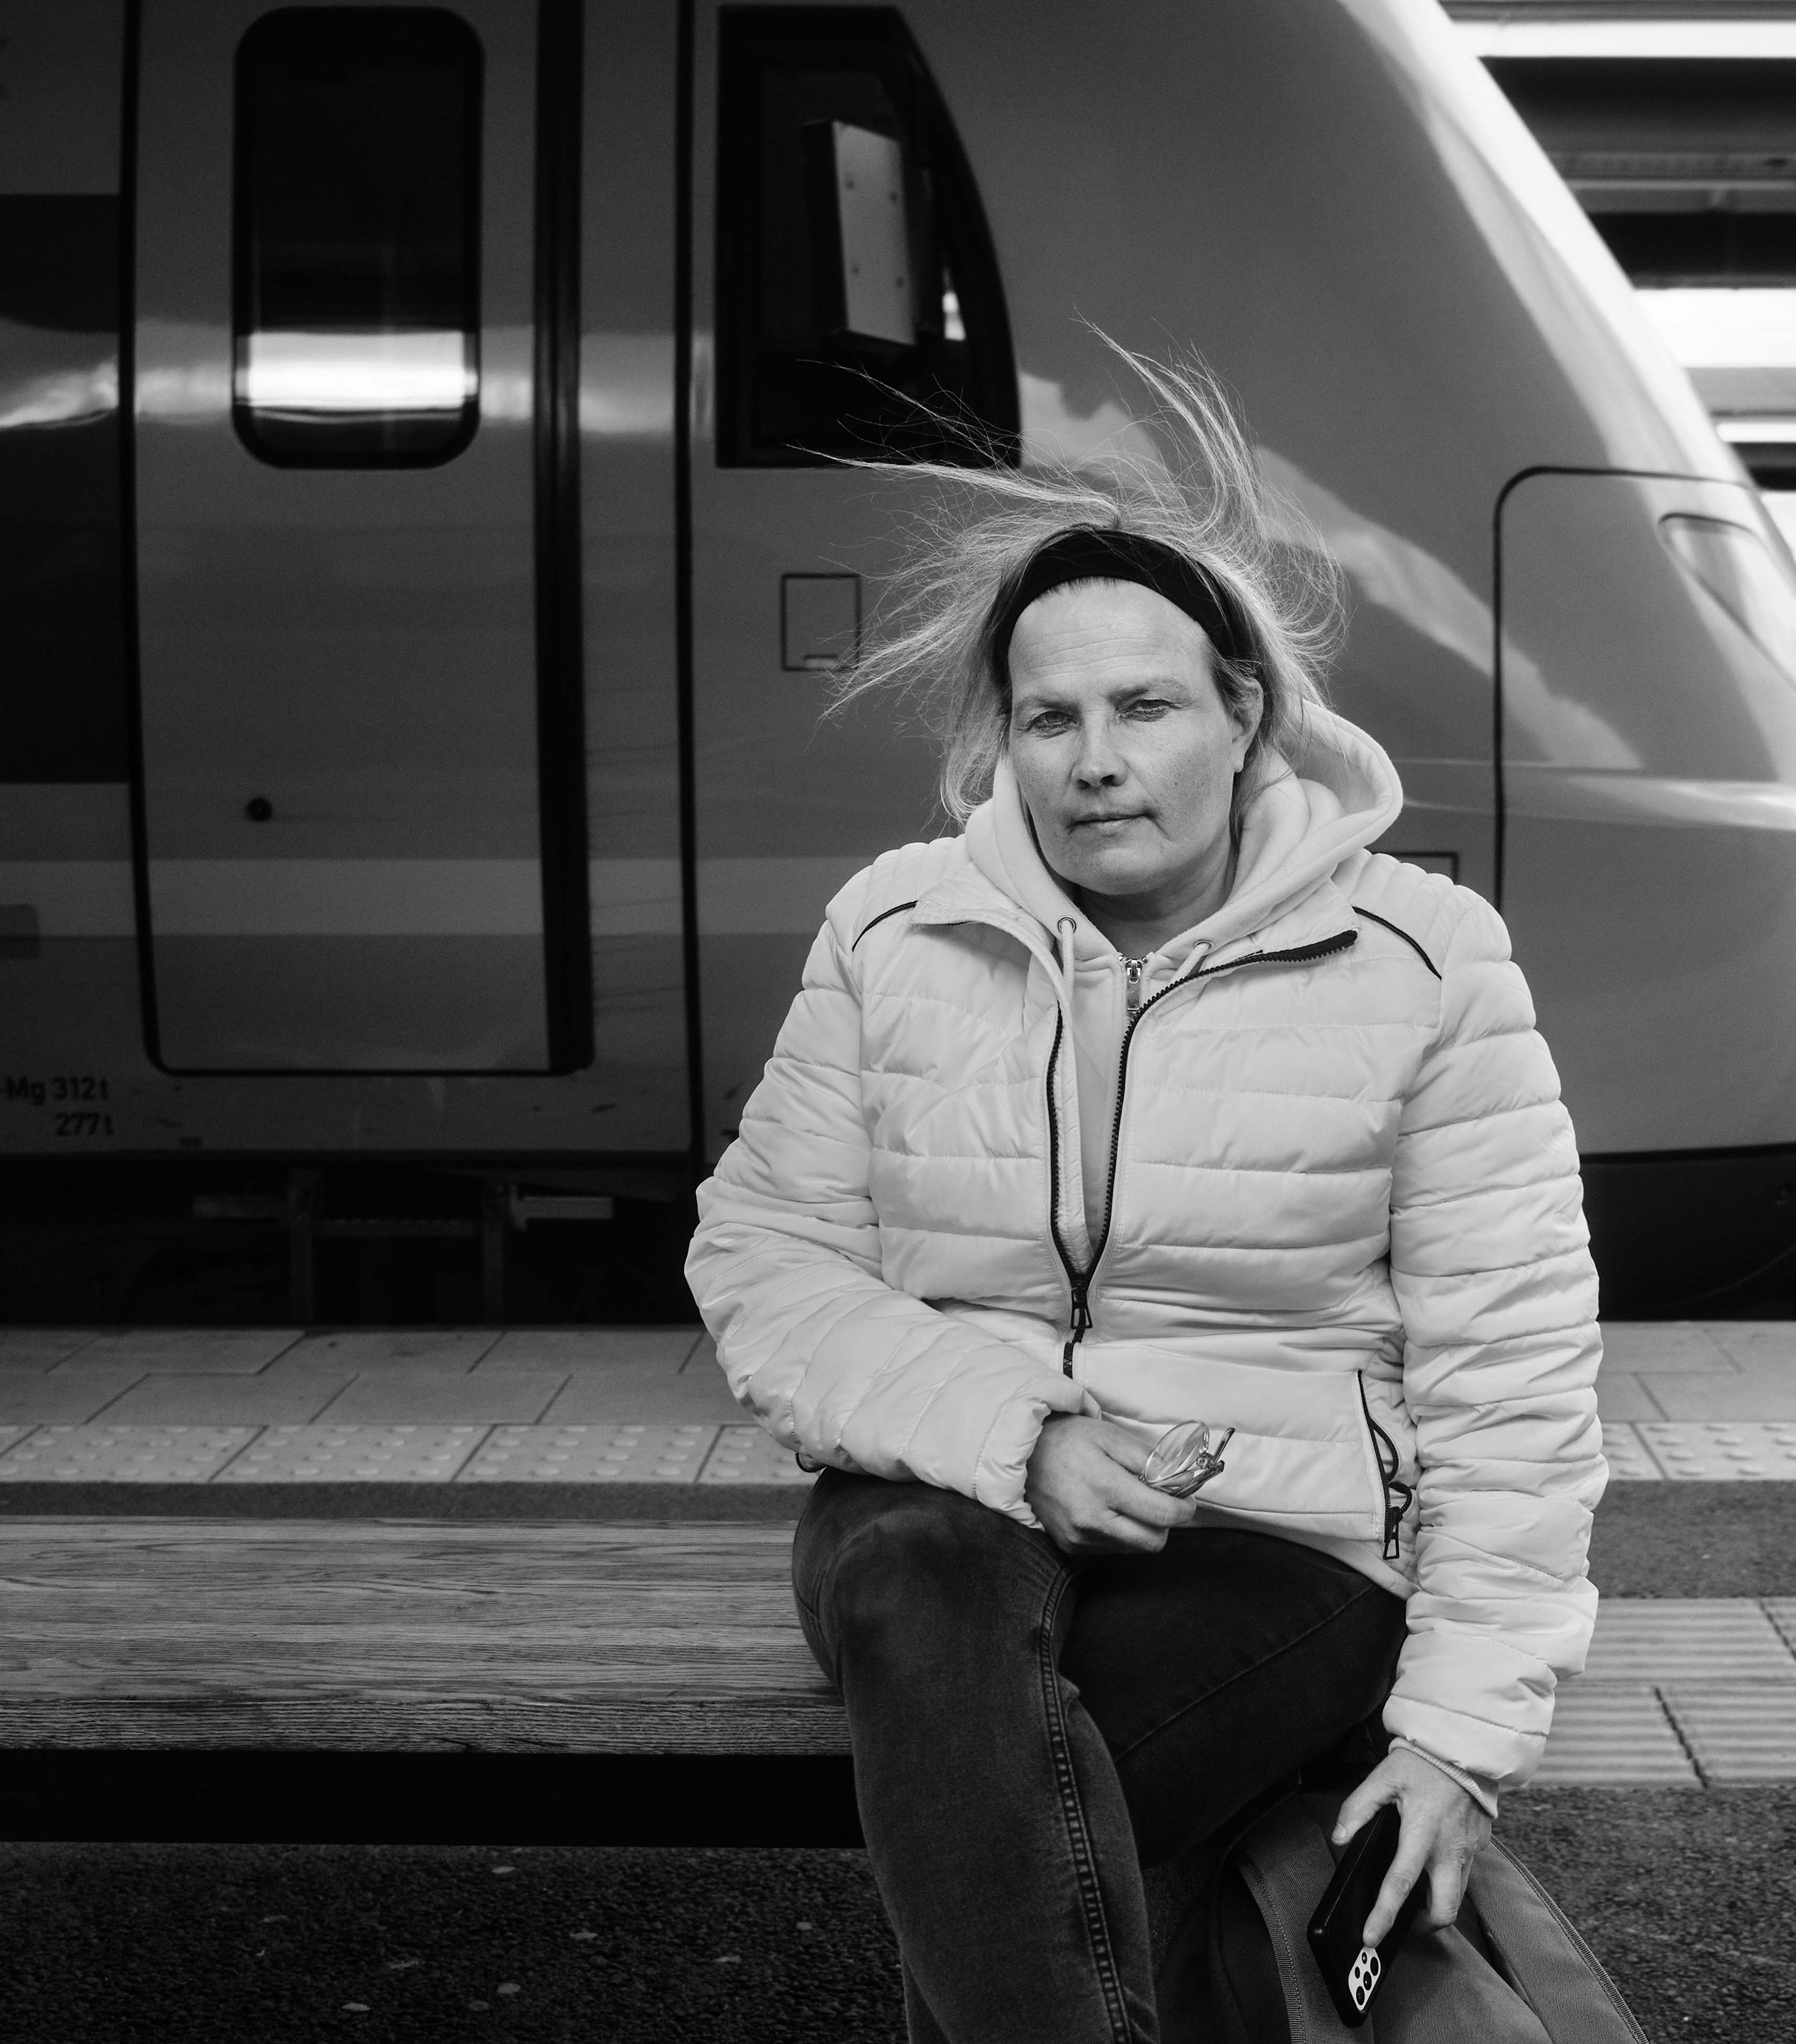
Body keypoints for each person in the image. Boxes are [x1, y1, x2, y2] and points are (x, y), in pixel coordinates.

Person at [685, 352, 1605, 2044]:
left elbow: (1514, 1370)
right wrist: (1017, 1432)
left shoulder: (1423, 961)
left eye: (1146, 707)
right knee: (919, 1583)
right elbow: (765, 1254)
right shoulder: (894, 929)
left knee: (1011, 1794)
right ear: (1007, 740)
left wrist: (1459, 1735)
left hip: (1278, 1544)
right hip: (939, 1502)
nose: (1095, 760)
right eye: (1052, 718)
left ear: (1245, 715)